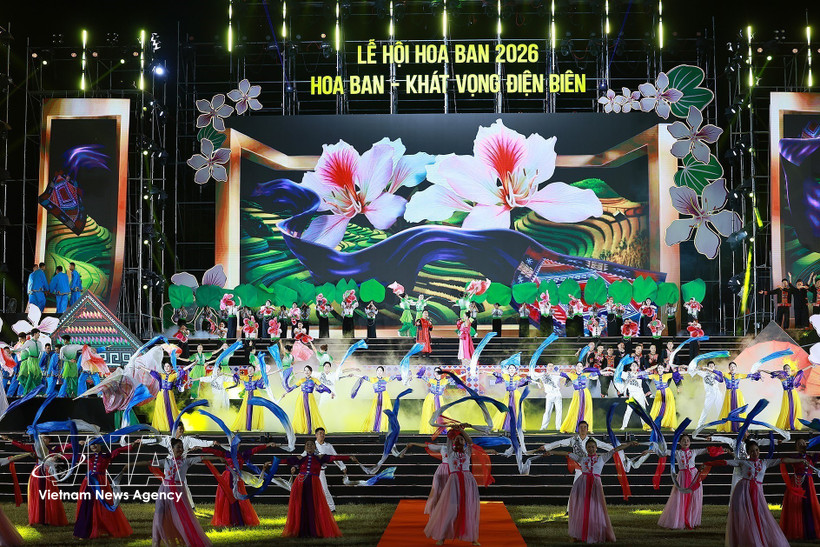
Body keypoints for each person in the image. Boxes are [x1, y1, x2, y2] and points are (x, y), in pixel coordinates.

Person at [544, 438, 637, 543]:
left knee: (595, 508)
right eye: (589, 447)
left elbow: (616, 449)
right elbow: (567, 453)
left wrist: (629, 444)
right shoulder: (582, 459)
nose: (591, 449)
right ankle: (580, 534)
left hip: (596, 486)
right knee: (583, 510)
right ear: (586, 448)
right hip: (582, 486)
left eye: (593, 447)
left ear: (596, 448)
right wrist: (551, 452)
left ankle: (595, 533)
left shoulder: (602, 458)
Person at [707, 440, 797, 547]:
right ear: (748, 452)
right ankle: (747, 538)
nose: (755, 452)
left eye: (757, 450)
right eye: (752, 451)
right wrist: (708, 464)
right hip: (743, 491)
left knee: (759, 514)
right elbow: (725, 462)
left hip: (757, 492)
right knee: (744, 515)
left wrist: (799, 460)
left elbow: (782, 460)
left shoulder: (764, 462)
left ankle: (760, 537)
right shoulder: (744, 462)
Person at [423, 427, 485, 546]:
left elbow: (470, 441)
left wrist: (462, 431)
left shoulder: (467, 452)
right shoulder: (450, 452)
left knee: (468, 510)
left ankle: (473, 539)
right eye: (457, 439)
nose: (460, 440)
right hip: (454, 482)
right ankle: (442, 537)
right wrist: (454, 430)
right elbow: (449, 439)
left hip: (467, 481)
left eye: (462, 439)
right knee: (451, 511)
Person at [73, 438, 141, 539]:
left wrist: (133, 444)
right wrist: (77, 443)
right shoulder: (88, 457)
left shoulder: (106, 456)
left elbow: (119, 450)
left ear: (100, 445)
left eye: (96, 444)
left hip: (101, 483)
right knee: (87, 506)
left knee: (105, 506)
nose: (94, 446)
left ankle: (111, 529)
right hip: (89, 483)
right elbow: (73, 456)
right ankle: (84, 532)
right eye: (91, 444)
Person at [284, 439, 352, 538]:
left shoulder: (320, 457)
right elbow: (286, 460)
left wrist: (348, 457)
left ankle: (314, 528)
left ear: (315, 447)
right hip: (300, 484)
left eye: (311, 444)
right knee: (301, 505)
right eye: (307, 445)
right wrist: (271, 462)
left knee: (313, 505)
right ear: (305, 447)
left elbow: (334, 457)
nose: (309, 446)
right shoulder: (301, 458)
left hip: (314, 483)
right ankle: (301, 529)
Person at [152, 438, 212, 547]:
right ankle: (156, 541)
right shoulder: (166, 461)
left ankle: (188, 540)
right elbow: (148, 463)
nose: (180, 449)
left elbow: (203, 458)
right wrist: (130, 465)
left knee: (180, 518)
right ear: (172, 448)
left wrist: (220, 458)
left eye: (181, 447)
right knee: (159, 513)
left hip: (178, 491)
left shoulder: (186, 461)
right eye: (178, 447)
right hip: (164, 489)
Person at [202, 440, 276, 527]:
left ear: (239, 444)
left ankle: (238, 519)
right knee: (226, 497)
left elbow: (255, 449)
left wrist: (267, 445)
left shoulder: (243, 454)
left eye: (237, 443)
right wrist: (200, 447)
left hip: (237, 478)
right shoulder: (226, 453)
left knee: (238, 497)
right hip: (227, 477)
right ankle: (227, 519)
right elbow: (213, 451)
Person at [3, 434, 72, 526]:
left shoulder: (53, 449)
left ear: (49, 440)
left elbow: (65, 446)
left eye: (45, 438)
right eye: (41, 438)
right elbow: (22, 446)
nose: (43, 440)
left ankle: (48, 518)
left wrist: (76, 442)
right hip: (37, 474)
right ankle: (36, 519)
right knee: (36, 495)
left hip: (47, 474)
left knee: (47, 495)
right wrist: (9, 439)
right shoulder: (35, 448)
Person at [657, 434, 712, 530]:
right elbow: (664, 452)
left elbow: (706, 450)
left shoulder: (693, 452)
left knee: (694, 498)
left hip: (694, 477)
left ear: (690, 442)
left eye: (687, 440)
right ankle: (678, 521)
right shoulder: (677, 453)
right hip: (682, 477)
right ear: (680, 443)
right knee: (679, 498)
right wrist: (650, 450)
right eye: (683, 440)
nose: (686, 442)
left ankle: (692, 520)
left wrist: (722, 449)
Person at [779, 438, 820, 540]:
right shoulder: (795, 456)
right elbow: (784, 460)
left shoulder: (812, 456)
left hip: (808, 483)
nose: (801, 444)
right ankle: (798, 531)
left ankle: (811, 531)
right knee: (796, 506)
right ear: (796, 447)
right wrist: (800, 460)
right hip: (797, 482)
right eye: (799, 443)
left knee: (809, 505)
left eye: (803, 442)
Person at [286, 365, 334, 435]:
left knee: (310, 413)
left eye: (308, 370)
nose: (306, 372)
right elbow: (292, 387)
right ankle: (304, 428)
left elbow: (322, 386)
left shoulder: (314, 380)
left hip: (310, 397)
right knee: (302, 413)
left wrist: (330, 392)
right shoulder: (301, 380)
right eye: (305, 370)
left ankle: (309, 429)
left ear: (311, 372)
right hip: (301, 397)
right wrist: (285, 393)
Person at [713, 362, 760, 433]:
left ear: (736, 367)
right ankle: (729, 426)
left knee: (738, 409)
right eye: (731, 367)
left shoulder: (739, 375)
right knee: (729, 409)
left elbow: (750, 376)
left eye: (734, 366)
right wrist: (709, 369)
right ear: (729, 368)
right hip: (729, 394)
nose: (732, 368)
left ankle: (739, 426)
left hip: (737, 394)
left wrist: (757, 374)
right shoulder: (726, 374)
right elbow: (718, 372)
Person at [352, 366, 402, 433]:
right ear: (376, 372)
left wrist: (404, 375)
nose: (379, 372)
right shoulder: (373, 379)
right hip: (377, 397)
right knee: (376, 411)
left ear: (383, 372)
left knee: (384, 411)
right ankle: (375, 427)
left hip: (384, 397)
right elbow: (363, 377)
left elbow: (395, 377)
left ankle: (386, 427)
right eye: (378, 371)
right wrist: (355, 375)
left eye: (381, 371)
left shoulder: (385, 379)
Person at [309, 428, 348, 512]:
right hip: (310, 472)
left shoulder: (328, 446)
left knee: (324, 490)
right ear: (316, 435)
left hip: (321, 472)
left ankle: (332, 508)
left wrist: (342, 467)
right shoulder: (311, 445)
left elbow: (335, 457)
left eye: (323, 433)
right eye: (320, 433)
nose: (322, 435)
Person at [760, 363, 805, 430]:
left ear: (790, 369)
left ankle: (794, 424)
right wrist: (762, 370)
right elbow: (771, 373)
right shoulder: (781, 377)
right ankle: (786, 424)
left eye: (788, 368)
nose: (787, 370)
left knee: (795, 408)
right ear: (783, 370)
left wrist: (810, 366)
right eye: (785, 368)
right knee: (787, 409)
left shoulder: (793, 376)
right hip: (786, 394)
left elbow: (801, 371)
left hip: (793, 394)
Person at [141, 361, 184, 431]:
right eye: (165, 366)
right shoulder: (161, 375)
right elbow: (151, 372)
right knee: (160, 410)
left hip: (169, 395)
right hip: (161, 395)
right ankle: (161, 427)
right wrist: (142, 368)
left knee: (171, 410)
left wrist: (192, 364)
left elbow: (183, 371)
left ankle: (170, 428)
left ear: (171, 367)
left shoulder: (173, 375)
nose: (166, 368)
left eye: (168, 366)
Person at [416, 367, 459, 434]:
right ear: (434, 373)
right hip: (430, 398)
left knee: (442, 413)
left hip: (439, 399)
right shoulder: (431, 380)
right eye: (436, 372)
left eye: (439, 371)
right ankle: (429, 430)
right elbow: (419, 376)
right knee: (429, 413)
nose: (437, 373)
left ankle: (444, 428)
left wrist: (466, 373)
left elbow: (456, 377)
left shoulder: (444, 381)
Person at [491, 361, 530, 431]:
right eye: (510, 368)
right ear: (508, 370)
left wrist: (535, 381)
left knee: (518, 410)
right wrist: (484, 371)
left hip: (516, 395)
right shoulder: (505, 376)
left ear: (515, 370)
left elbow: (526, 380)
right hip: (508, 395)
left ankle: (520, 427)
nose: (512, 369)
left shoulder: (517, 377)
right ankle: (498, 427)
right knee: (504, 409)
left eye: (513, 368)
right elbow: (495, 373)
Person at [559, 363, 599, 433]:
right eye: (577, 366)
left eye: (580, 366)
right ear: (575, 367)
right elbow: (560, 374)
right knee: (574, 410)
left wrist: (607, 371)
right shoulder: (572, 375)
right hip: (577, 394)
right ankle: (568, 428)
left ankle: (588, 429)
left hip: (586, 393)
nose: (579, 367)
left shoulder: (585, 375)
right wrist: (549, 372)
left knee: (587, 410)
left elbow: (598, 373)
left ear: (582, 367)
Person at [231, 361, 267, 431]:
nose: (250, 371)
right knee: (245, 410)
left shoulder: (257, 377)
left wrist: (277, 371)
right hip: (247, 395)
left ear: (254, 371)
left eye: (252, 369)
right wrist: (223, 373)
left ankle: (255, 426)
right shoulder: (244, 377)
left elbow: (266, 375)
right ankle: (243, 426)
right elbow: (233, 375)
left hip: (256, 394)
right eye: (249, 369)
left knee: (255, 411)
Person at [690, 360, 725, 429]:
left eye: (712, 366)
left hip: (717, 393)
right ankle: (699, 426)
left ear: (714, 367)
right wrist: (697, 368)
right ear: (707, 367)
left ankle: (722, 425)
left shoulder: (716, 373)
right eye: (710, 366)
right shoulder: (704, 373)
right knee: (706, 410)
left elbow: (721, 380)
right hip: (709, 394)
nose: (711, 367)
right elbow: (694, 370)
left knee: (720, 409)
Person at [647, 362, 682, 429]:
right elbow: (644, 374)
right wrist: (654, 367)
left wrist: (689, 371)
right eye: (659, 368)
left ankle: (670, 426)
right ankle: (652, 426)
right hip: (659, 394)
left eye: (661, 368)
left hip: (668, 393)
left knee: (669, 409)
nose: (660, 369)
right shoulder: (654, 376)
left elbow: (677, 373)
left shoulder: (667, 375)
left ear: (664, 369)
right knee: (656, 409)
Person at [533, 363, 565, 430]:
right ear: (546, 367)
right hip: (549, 395)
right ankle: (543, 427)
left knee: (559, 411)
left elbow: (564, 375)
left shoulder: (556, 374)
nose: (550, 367)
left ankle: (558, 427)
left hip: (557, 394)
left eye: (552, 366)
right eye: (549, 366)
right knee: (547, 411)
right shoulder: (543, 375)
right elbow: (533, 374)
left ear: (553, 368)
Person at [11, 329, 41, 396]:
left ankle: (29, 392)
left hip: (27, 362)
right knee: (25, 378)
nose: (19, 341)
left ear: (24, 338)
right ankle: (32, 391)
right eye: (19, 340)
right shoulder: (22, 344)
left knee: (22, 377)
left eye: (20, 339)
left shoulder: (27, 344)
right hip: (23, 363)